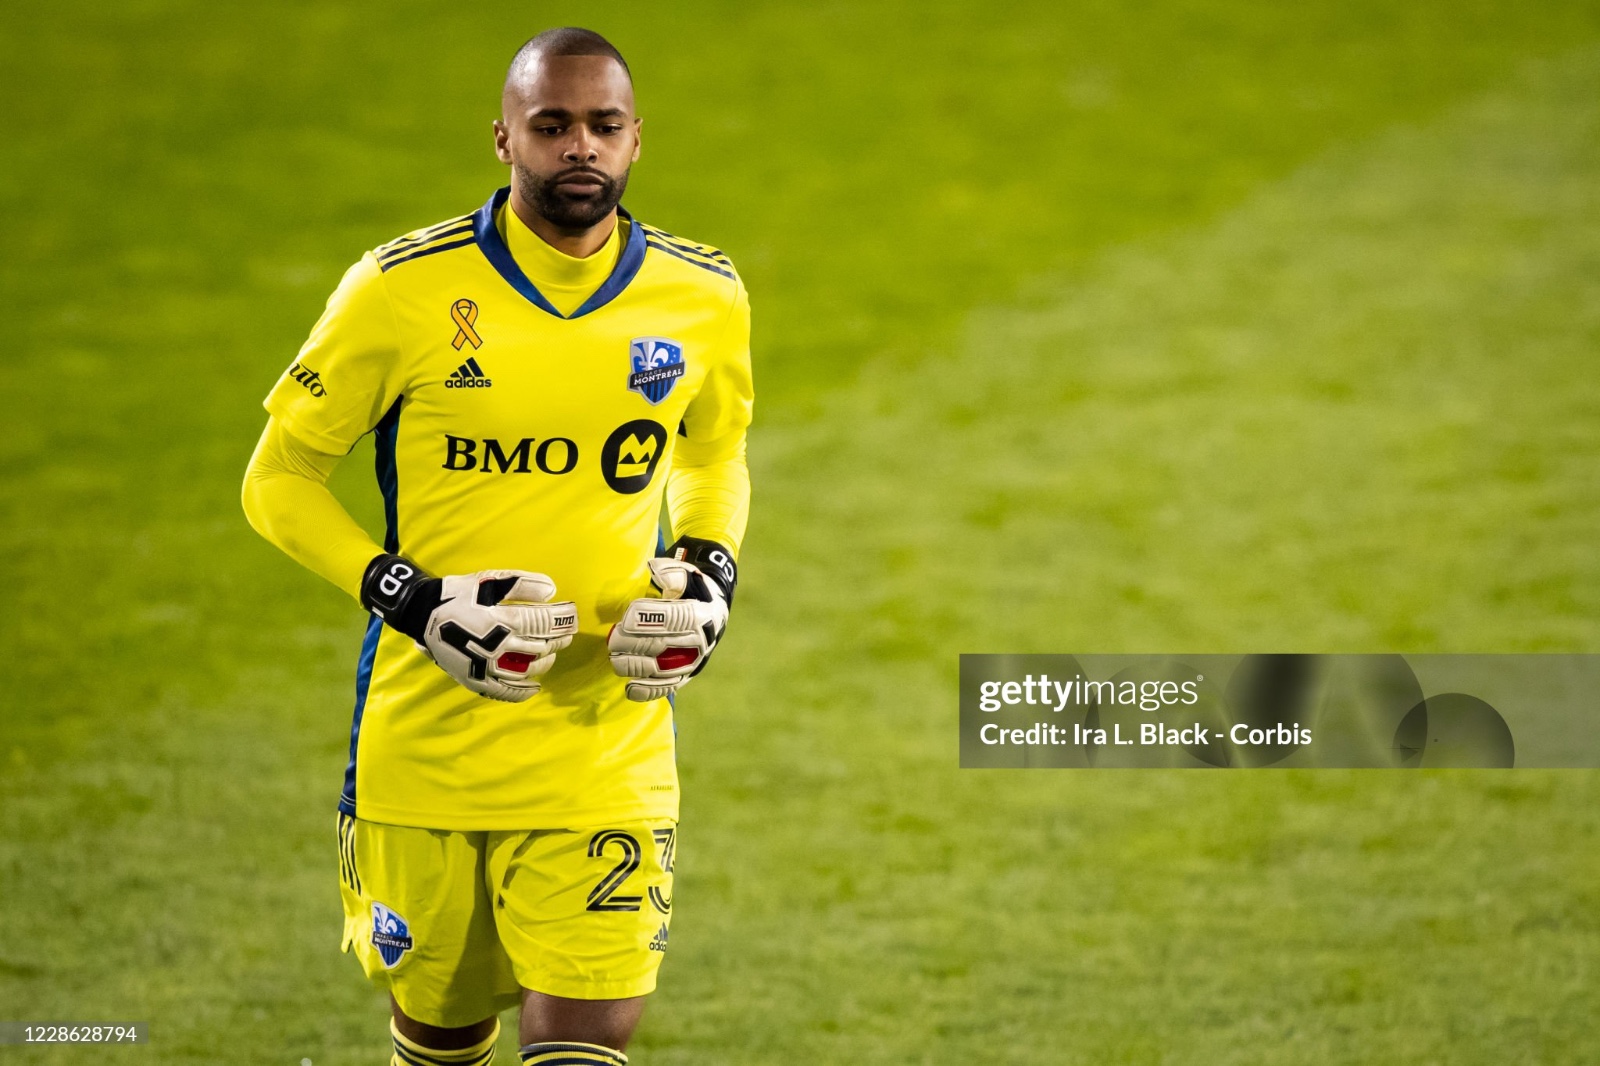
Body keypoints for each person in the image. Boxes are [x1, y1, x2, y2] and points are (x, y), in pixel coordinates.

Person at [241, 26, 751, 1066]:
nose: (579, 148)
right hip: (425, 753)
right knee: (439, 1041)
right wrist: (416, 602)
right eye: (551, 125)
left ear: (636, 140)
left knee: (586, 1041)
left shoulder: (702, 296)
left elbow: (714, 456)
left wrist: (708, 575)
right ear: (503, 138)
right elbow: (276, 480)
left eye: (603, 127)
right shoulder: (400, 291)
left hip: (604, 743)